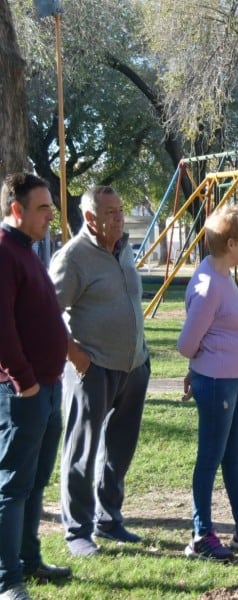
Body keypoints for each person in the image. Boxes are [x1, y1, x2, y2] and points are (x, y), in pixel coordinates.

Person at [50, 185, 151, 557]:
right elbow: (46, 315)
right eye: (110, 212)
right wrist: (75, 356)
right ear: (90, 219)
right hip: (91, 368)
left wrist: (142, 353)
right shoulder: (72, 257)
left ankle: (109, 519)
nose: (119, 216)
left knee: (119, 449)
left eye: (120, 209)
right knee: (81, 450)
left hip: (133, 367)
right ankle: (78, 530)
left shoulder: (123, 250)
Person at [177, 206, 238, 561]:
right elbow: (187, 343)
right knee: (210, 458)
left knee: (233, 458)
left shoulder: (223, 275)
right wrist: (199, 366)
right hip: (218, 383)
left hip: (234, 379)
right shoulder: (208, 285)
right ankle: (202, 534)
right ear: (230, 242)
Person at [0, 174, 71, 600]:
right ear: (17, 210)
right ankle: (7, 578)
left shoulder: (28, 251)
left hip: (48, 387)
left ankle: (29, 559)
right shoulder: (5, 253)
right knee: (13, 485)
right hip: (22, 393)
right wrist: (24, 381)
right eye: (43, 208)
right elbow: (2, 327)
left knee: (35, 481)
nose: (50, 215)